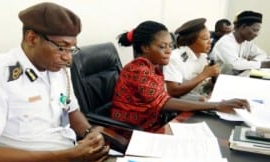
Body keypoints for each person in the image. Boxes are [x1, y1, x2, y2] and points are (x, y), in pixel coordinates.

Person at [0, 2, 109, 162]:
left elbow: (71, 111)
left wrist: (90, 134)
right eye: (61, 47)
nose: (67, 58)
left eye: (71, 49)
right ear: (32, 38)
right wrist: (68, 156)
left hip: (74, 161)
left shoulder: (59, 70)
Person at [110, 20, 250, 136]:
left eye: (170, 46)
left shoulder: (151, 66)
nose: (169, 51)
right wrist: (217, 105)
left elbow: (161, 99)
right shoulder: (139, 70)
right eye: (162, 46)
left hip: (153, 124)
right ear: (145, 47)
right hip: (135, 132)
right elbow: (165, 102)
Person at [163, 18, 220, 101]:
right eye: (205, 39)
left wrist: (214, 78)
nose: (210, 42)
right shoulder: (175, 57)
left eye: (210, 38)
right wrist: (205, 74)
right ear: (191, 40)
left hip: (200, 99)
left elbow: (202, 87)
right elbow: (173, 91)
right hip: (181, 106)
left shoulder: (203, 56)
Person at [210, 10, 270, 75]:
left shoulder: (246, 42)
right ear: (243, 27)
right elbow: (235, 65)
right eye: (255, 30)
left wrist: (254, 62)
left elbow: (262, 54)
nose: (257, 34)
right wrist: (261, 64)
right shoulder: (225, 42)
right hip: (220, 81)